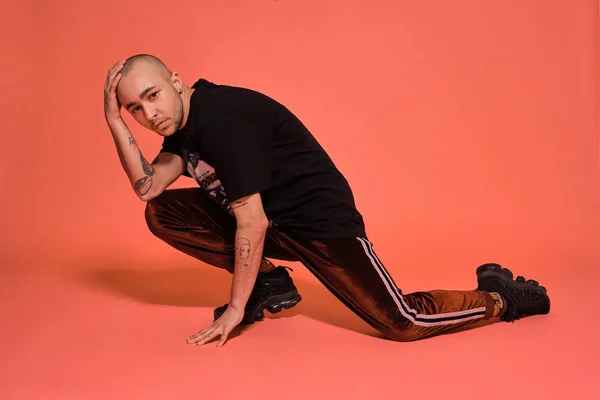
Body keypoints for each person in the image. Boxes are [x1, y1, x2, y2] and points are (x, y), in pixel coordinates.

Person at [103, 54, 551, 347]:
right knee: (162, 212)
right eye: (135, 110)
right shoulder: (182, 128)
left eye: (152, 96)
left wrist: (236, 309)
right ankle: (270, 283)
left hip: (319, 224)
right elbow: (148, 187)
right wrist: (112, 120)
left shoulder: (221, 120)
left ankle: (501, 297)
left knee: (402, 321)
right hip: (272, 222)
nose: (149, 114)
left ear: (176, 83)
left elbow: (251, 223)